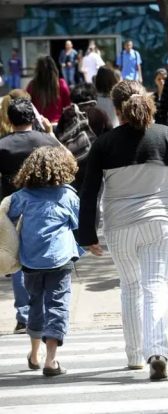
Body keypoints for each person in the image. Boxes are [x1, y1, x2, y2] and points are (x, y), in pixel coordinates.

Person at [78, 80, 168, 380]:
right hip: (160, 223)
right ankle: (157, 351)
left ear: (116, 108)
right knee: (155, 286)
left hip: (119, 226)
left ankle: (135, 355)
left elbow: (89, 192)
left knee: (131, 287)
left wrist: (87, 234)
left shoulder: (104, 144)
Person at [6, 146, 81, 377]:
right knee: (58, 305)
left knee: (35, 303)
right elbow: (77, 223)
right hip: (60, 259)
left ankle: (34, 353)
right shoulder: (68, 195)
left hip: (31, 261)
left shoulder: (22, 196)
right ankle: (51, 360)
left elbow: (6, 218)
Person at [0, 98, 61, 336]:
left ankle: (24, 314)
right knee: (45, 259)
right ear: (33, 119)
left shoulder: (3, 146)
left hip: (13, 209)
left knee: (17, 260)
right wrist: (51, 132)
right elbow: (66, 159)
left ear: (9, 119)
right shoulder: (46, 142)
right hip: (45, 207)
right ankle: (43, 312)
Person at [55, 83, 113, 191]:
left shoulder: (66, 115)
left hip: (73, 168)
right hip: (96, 167)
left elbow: (58, 138)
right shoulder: (100, 113)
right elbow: (110, 140)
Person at [27, 56, 71, 124]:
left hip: (39, 126)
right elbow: (68, 107)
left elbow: (27, 106)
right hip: (58, 125)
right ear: (54, 69)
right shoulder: (61, 84)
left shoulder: (32, 86)